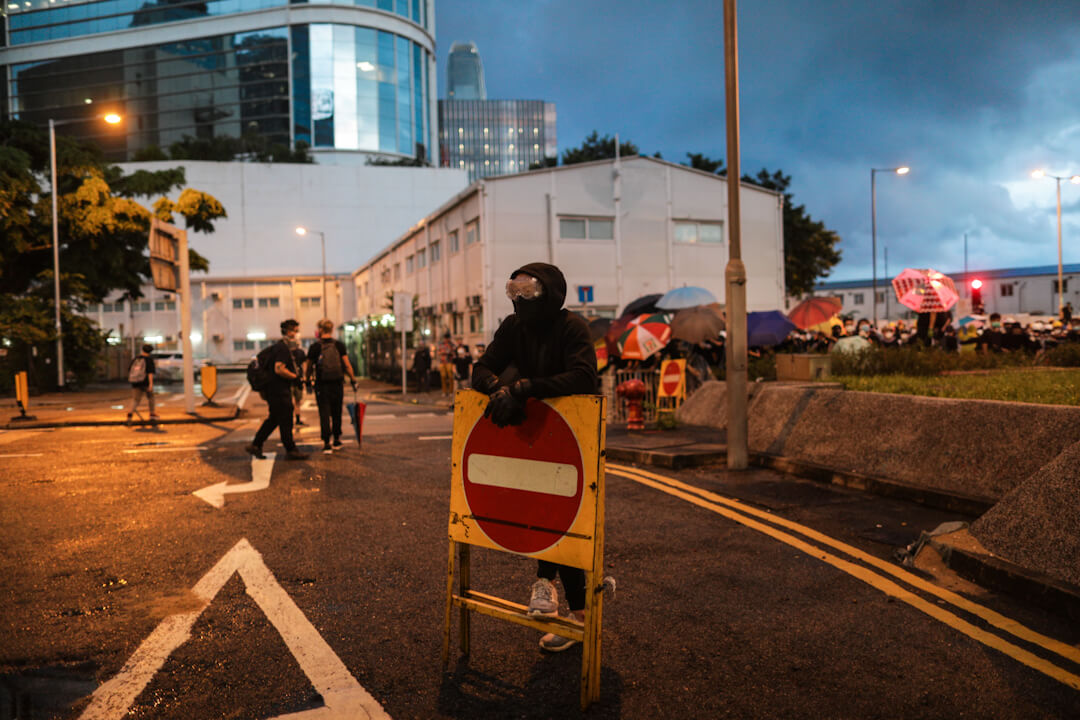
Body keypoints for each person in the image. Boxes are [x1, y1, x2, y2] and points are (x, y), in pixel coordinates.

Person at [471, 262, 598, 653]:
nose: (521, 301)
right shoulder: (513, 328)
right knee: (540, 515)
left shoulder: (572, 327)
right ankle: (570, 612)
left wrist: (526, 389)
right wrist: (497, 390)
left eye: (529, 292)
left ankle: (562, 602)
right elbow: (481, 367)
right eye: (515, 293)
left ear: (551, 293)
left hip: (572, 440)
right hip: (530, 438)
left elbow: (583, 376)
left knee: (568, 522)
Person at [246, 320, 310, 460]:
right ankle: (291, 449)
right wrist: (295, 377)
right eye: (295, 331)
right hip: (279, 390)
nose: (297, 334)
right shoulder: (282, 348)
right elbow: (279, 368)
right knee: (286, 418)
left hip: (273, 390)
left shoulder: (278, 347)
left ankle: (256, 445)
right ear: (289, 332)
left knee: (274, 419)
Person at [305, 318, 357, 454]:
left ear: (320, 330)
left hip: (322, 385)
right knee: (336, 412)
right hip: (337, 383)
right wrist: (353, 380)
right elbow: (347, 364)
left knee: (324, 413)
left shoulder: (315, 347)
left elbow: (309, 366)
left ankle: (326, 442)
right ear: (332, 329)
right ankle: (337, 439)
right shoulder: (339, 345)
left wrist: (307, 380)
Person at [126, 344, 158, 423]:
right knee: (151, 397)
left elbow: (129, 370)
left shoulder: (136, 359)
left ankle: (130, 413)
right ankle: (152, 414)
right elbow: (150, 373)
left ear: (142, 350)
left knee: (135, 399)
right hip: (145, 382)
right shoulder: (149, 360)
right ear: (150, 351)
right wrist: (151, 384)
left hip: (135, 382)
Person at [289, 338, 307, 426]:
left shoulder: (285, 352)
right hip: (298, 380)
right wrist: (304, 377)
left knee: (288, 402)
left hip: (287, 380)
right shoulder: (300, 352)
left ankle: (289, 420)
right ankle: (298, 419)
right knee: (297, 401)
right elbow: (304, 364)